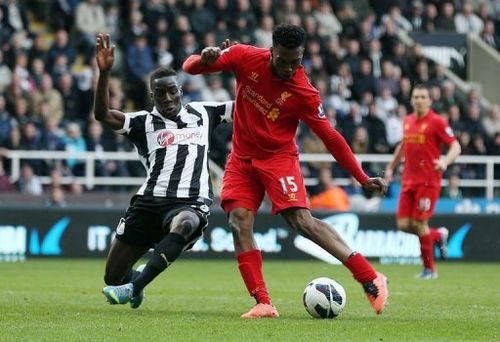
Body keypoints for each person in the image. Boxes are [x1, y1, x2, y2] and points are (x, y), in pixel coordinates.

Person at [183, 24, 388, 318]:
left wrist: (362, 177)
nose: (291, 68)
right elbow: (189, 68)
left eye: (297, 61)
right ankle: (263, 303)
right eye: (284, 61)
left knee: (301, 221)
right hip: (242, 158)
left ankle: (369, 277)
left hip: (278, 158)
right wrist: (205, 59)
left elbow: (331, 137)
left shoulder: (304, 92)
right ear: (271, 51)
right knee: (239, 222)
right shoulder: (244, 56)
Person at [94, 33, 233, 308]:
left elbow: (247, 107)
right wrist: (105, 73)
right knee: (112, 277)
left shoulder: (205, 113)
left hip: (190, 200)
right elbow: (102, 115)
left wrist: (236, 65)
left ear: (181, 91)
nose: (168, 98)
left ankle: (135, 286)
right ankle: (130, 281)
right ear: (152, 96)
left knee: (187, 223)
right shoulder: (141, 123)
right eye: (160, 93)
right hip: (148, 202)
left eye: (173, 91)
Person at [384, 84, 461, 280]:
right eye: (415, 96)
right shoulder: (408, 121)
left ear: (429, 100)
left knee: (419, 223)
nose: (418, 100)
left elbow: (456, 146)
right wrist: (391, 168)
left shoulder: (437, 122)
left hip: (428, 181)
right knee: (403, 224)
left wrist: (445, 160)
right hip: (408, 181)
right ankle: (438, 235)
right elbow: (403, 146)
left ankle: (430, 270)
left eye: (422, 97)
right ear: (411, 100)